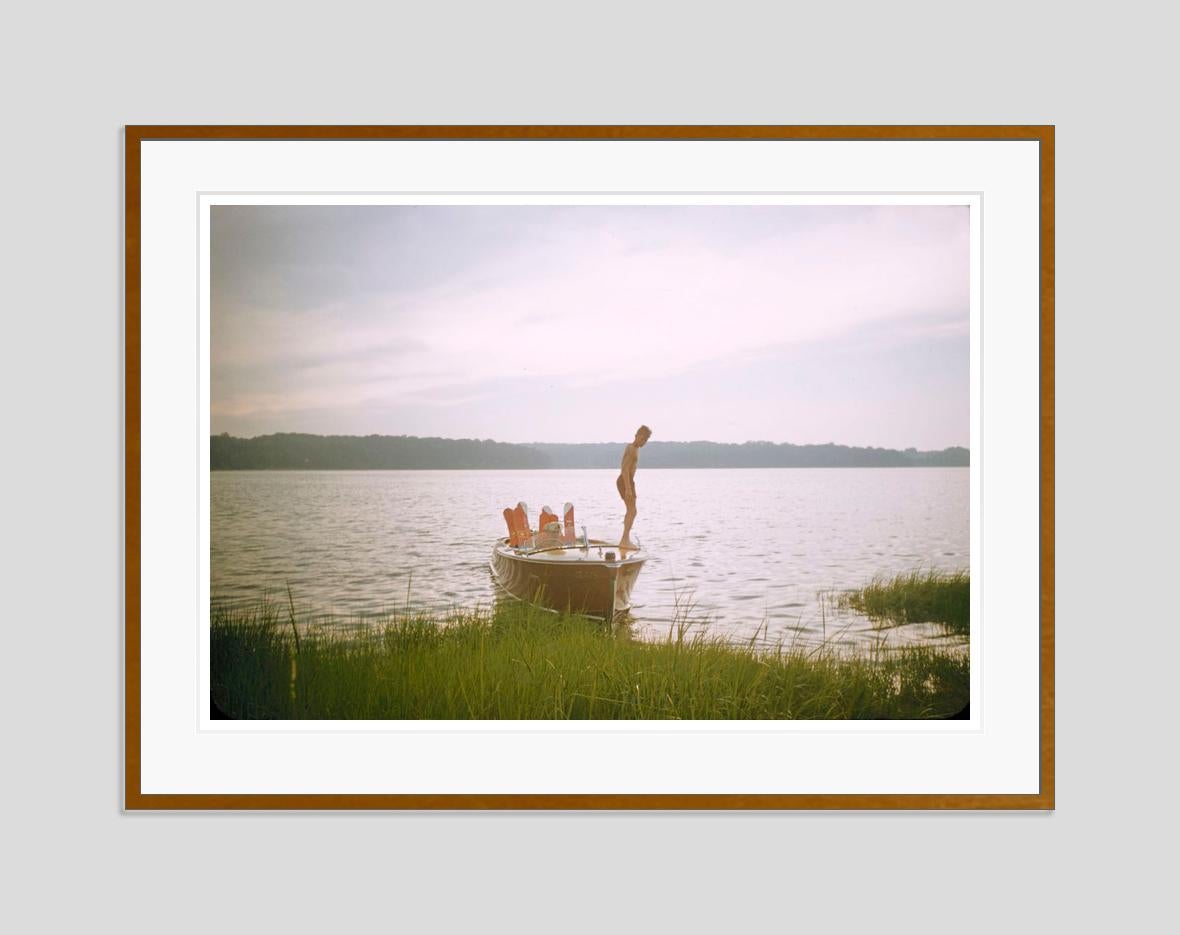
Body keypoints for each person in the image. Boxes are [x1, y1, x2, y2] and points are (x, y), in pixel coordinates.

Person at [616, 425, 652, 549]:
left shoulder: (636, 449)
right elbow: (624, 469)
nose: (643, 442)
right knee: (632, 511)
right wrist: (628, 489)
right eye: (642, 439)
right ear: (637, 436)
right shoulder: (631, 448)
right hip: (625, 480)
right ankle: (624, 540)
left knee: (631, 511)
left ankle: (624, 539)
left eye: (645, 440)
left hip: (629, 481)